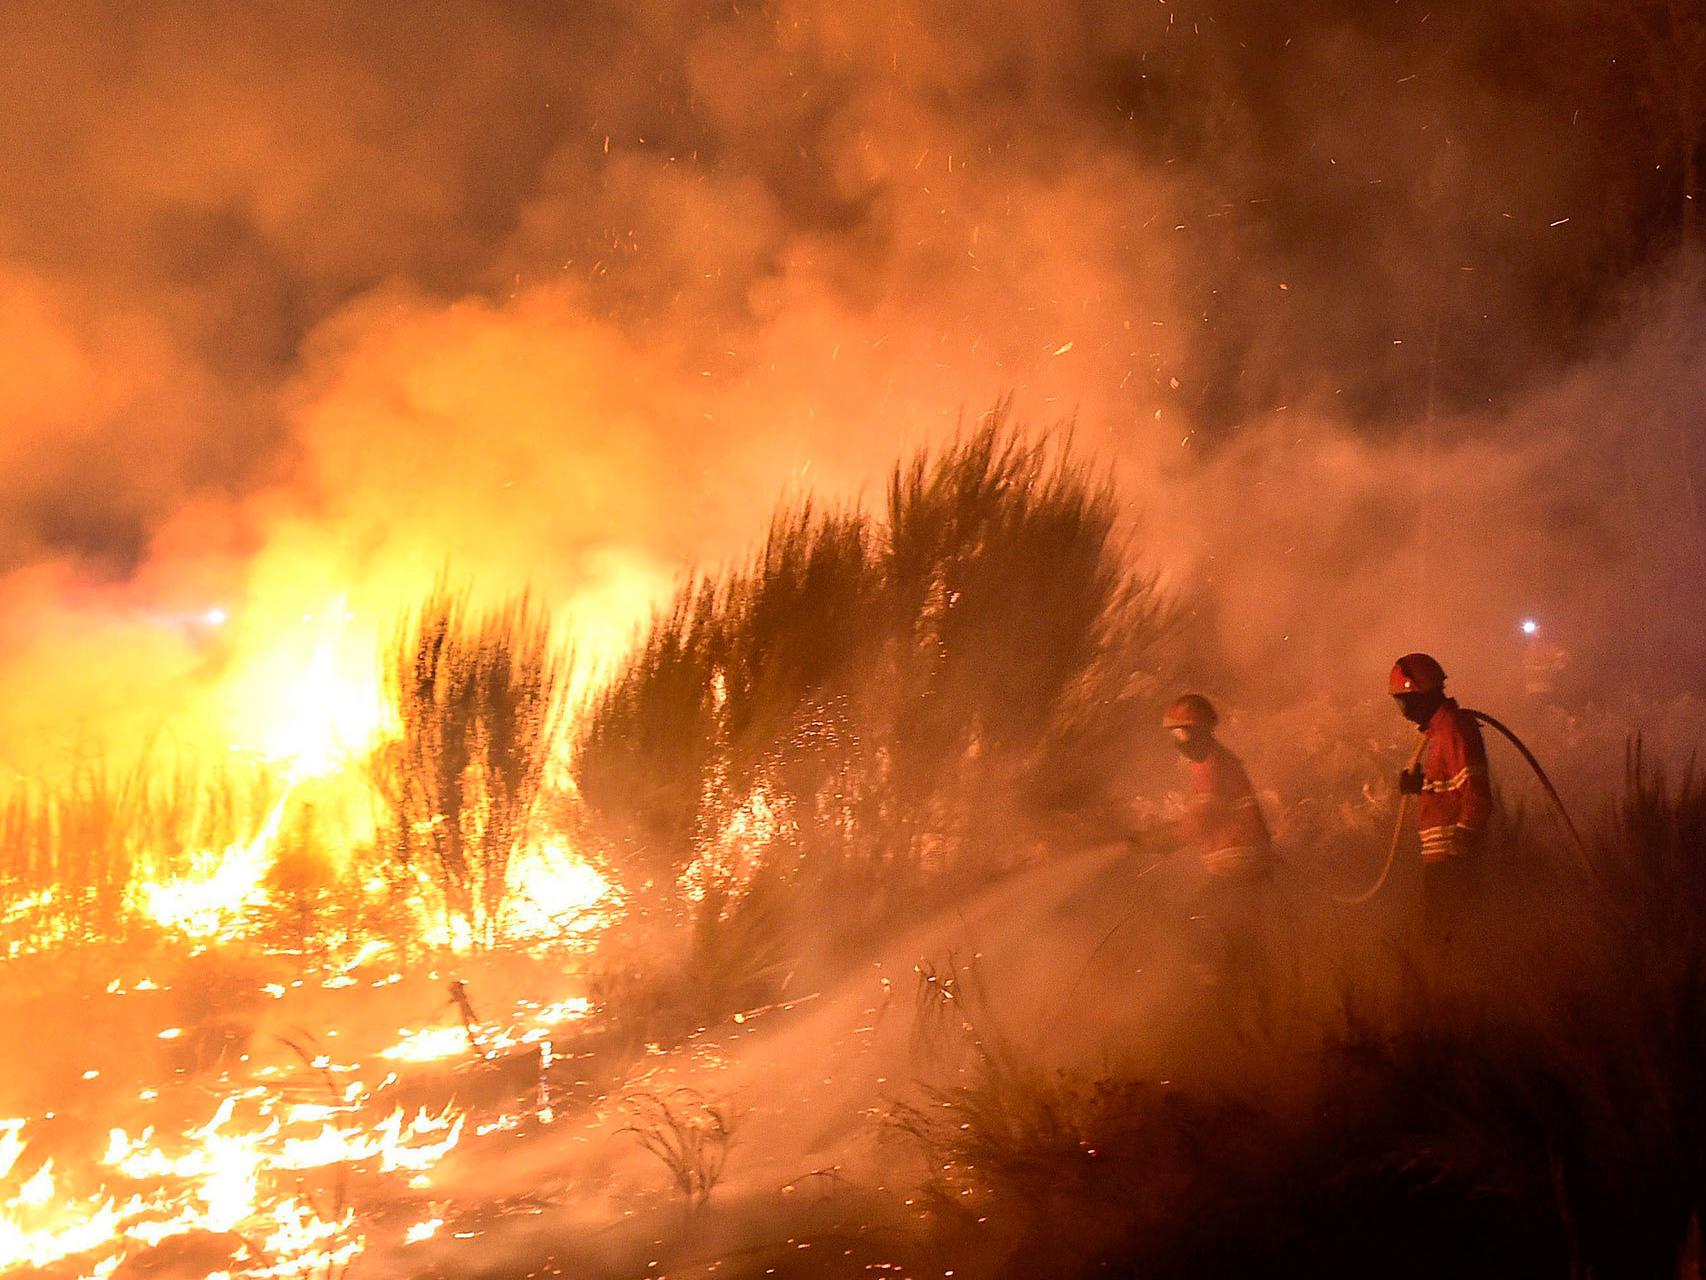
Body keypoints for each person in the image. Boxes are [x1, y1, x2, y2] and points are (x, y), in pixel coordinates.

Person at [1161, 694, 1277, 1010]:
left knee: (1196, 919)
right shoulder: (1214, 762)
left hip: (1238, 863)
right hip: (1242, 862)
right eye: (1173, 734)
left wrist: (1158, 840)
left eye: (1182, 733)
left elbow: (1200, 820)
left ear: (1199, 732)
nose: (1178, 742)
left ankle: (1221, 1001)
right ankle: (1252, 1003)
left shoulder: (1212, 765)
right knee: (1239, 940)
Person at [1389, 653, 1492, 951]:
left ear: (1419, 695)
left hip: (1452, 862)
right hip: (1442, 861)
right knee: (1438, 944)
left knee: (1448, 948)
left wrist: (1459, 853)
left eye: (1404, 702)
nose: (1405, 712)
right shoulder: (1441, 732)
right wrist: (1421, 786)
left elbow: (1476, 796)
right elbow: (1451, 791)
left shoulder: (1453, 730)